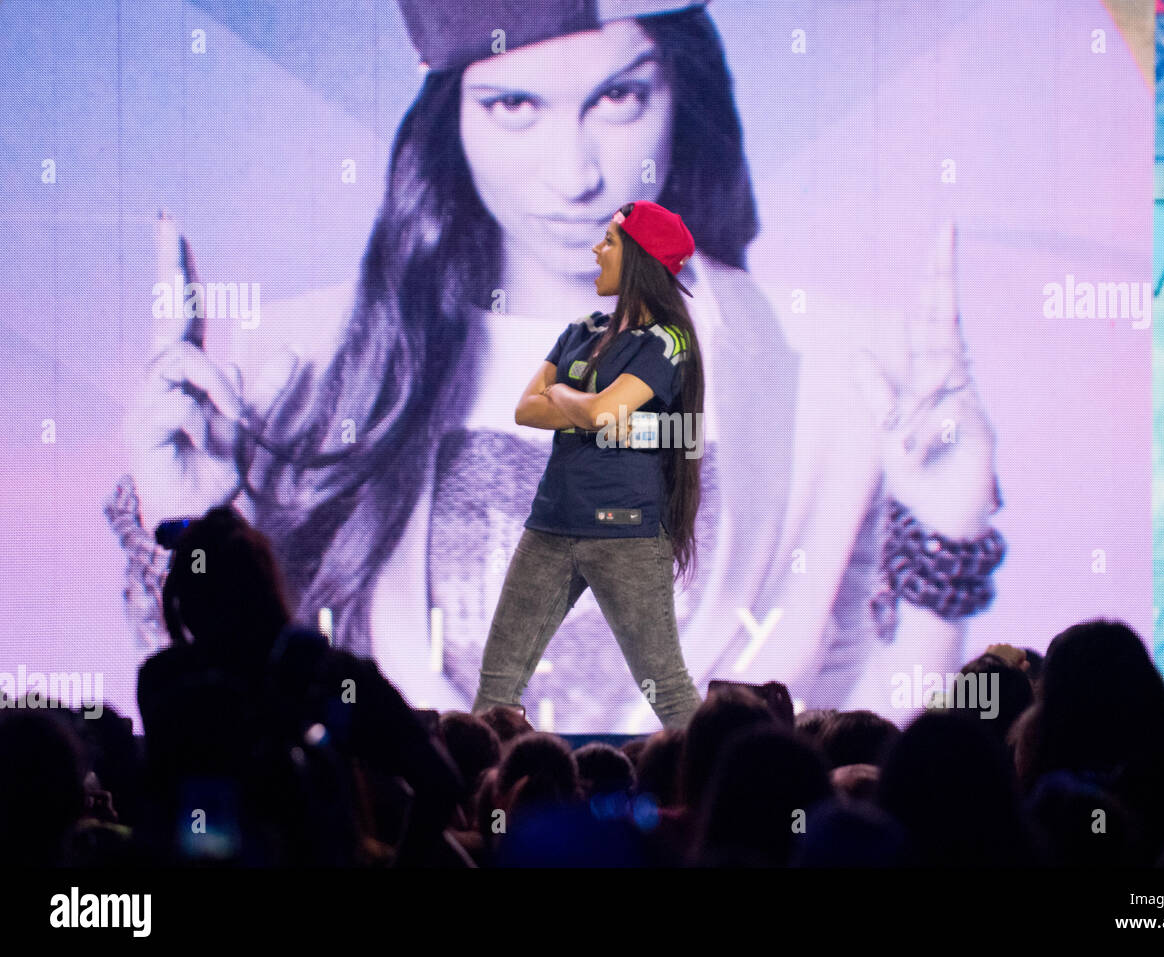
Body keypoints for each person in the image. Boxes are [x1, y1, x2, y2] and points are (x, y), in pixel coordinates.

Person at [111, 0, 1006, 733]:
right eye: (514, 106)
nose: (575, 175)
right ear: (450, 116)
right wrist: (190, 533)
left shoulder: (827, 376)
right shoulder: (303, 372)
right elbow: (253, 747)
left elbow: (861, 747)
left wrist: (944, 533)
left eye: (617, 100)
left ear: (678, 94)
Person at [471, 200, 704, 729]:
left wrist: (564, 394)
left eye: (610, 243)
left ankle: (720, 797)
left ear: (640, 259)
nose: (597, 251)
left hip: (625, 532)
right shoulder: (583, 328)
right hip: (550, 524)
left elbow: (600, 411)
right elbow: (527, 410)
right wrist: (586, 409)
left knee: (665, 687)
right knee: (497, 686)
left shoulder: (668, 341)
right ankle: (487, 801)